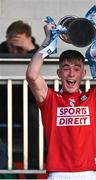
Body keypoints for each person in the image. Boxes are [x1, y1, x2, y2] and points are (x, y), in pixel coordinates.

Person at [26, 22, 96, 180]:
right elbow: (32, 75)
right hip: (58, 173)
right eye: (66, 68)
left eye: (76, 68)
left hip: (88, 172)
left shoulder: (93, 98)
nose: (71, 73)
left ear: (83, 73)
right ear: (59, 73)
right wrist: (47, 41)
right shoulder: (50, 99)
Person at [0, 20, 40, 178]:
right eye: (12, 46)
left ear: (29, 40)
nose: (15, 51)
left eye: (20, 46)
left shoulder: (39, 52)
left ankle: (32, 175)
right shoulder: (1, 50)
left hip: (29, 105)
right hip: (3, 104)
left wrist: (30, 50)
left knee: (35, 121)